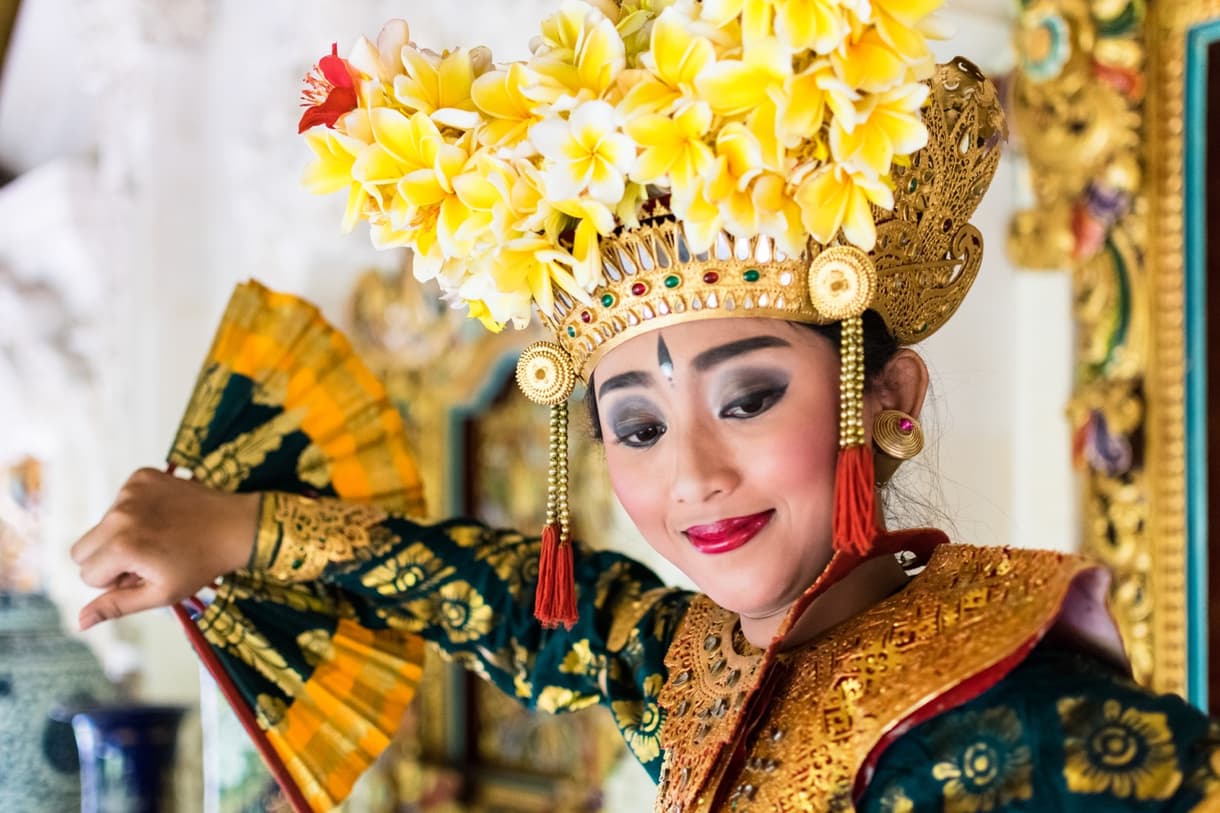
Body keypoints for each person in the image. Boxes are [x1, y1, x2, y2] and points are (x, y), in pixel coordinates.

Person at [71, 1, 1220, 810]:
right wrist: (240, 532)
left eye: (750, 395)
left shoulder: (1019, 724)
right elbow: (526, 612)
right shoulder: (697, 665)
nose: (691, 475)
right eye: (635, 423)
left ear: (890, 397)